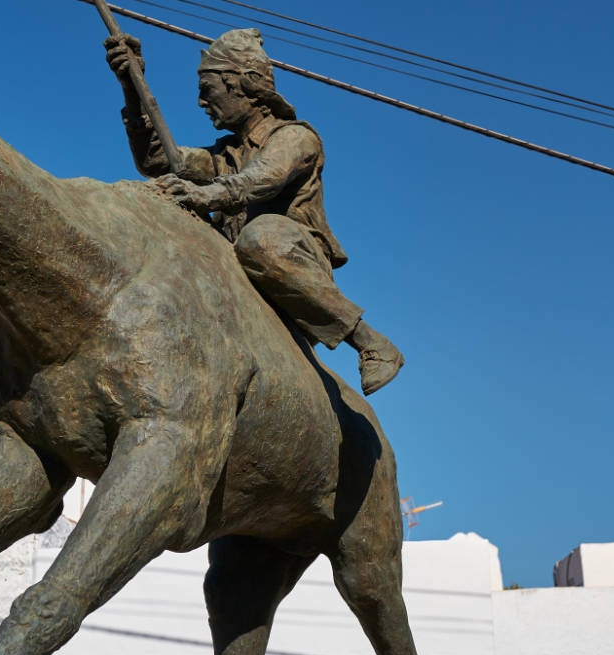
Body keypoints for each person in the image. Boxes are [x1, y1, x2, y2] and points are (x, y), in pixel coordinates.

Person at [106, 27, 405, 395]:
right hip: (236, 258)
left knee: (260, 237)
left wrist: (204, 195)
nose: (202, 103)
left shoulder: (296, 137)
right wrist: (131, 89)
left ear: (242, 85)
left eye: (208, 91)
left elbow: (260, 179)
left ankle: (369, 341)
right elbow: (158, 160)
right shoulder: (221, 155)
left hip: (290, 255)